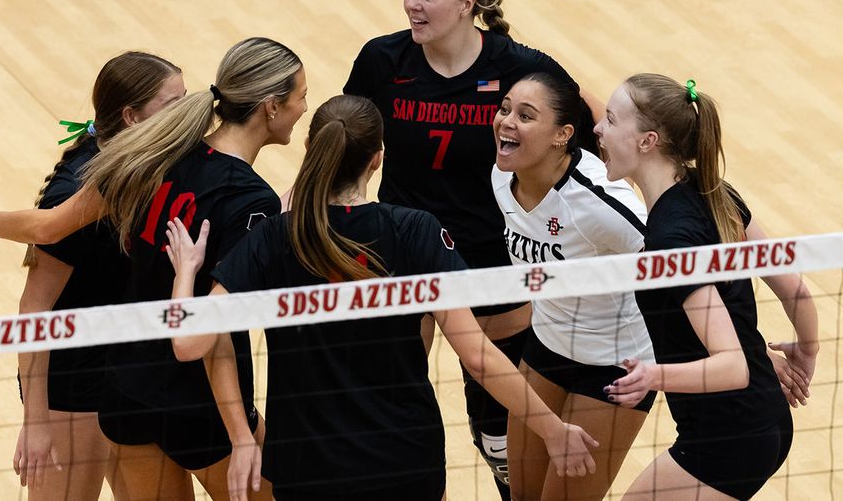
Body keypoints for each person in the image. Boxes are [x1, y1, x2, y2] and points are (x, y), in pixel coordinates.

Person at [164, 94, 599, 501]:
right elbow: (477, 356)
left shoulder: (274, 237)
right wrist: (552, 429)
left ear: (311, 150)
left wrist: (186, 273)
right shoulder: (415, 231)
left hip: (308, 467)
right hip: (404, 462)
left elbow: (189, 343)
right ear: (378, 158)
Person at [0, 37, 308, 500]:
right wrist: (241, 434)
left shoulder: (155, 160)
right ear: (270, 106)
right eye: (301, 97)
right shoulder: (241, 197)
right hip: (167, 396)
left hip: (128, 388)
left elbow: (52, 226)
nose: (304, 107)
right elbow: (203, 337)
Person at [341, 0, 597, 496]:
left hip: (489, 261)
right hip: (400, 254)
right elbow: (342, 146)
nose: (412, 3)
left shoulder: (518, 67)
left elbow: (593, 124)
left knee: (498, 431)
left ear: (467, 3)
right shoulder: (382, 61)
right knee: (389, 407)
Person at [594, 75, 820, 500]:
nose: (598, 129)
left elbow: (731, 366)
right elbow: (796, 291)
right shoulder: (714, 191)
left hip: (728, 440)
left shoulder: (671, 242)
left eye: (610, 119)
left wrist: (652, 376)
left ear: (647, 141)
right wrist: (807, 351)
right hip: (763, 419)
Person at [14, 51, 184, 501]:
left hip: (128, 374)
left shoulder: (146, 166)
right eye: (173, 105)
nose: (185, 115)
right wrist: (37, 423)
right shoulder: (74, 192)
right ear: (131, 116)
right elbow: (34, 307)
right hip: (73, 387)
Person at [491, 73, 656, 500]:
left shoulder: (602, 205)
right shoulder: (501, 177)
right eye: (505, 109)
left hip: (614, 366)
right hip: (546, 346)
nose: (507, 121)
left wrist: (744, 344)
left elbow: (682, 269)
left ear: (561, 135)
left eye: (525, 115)